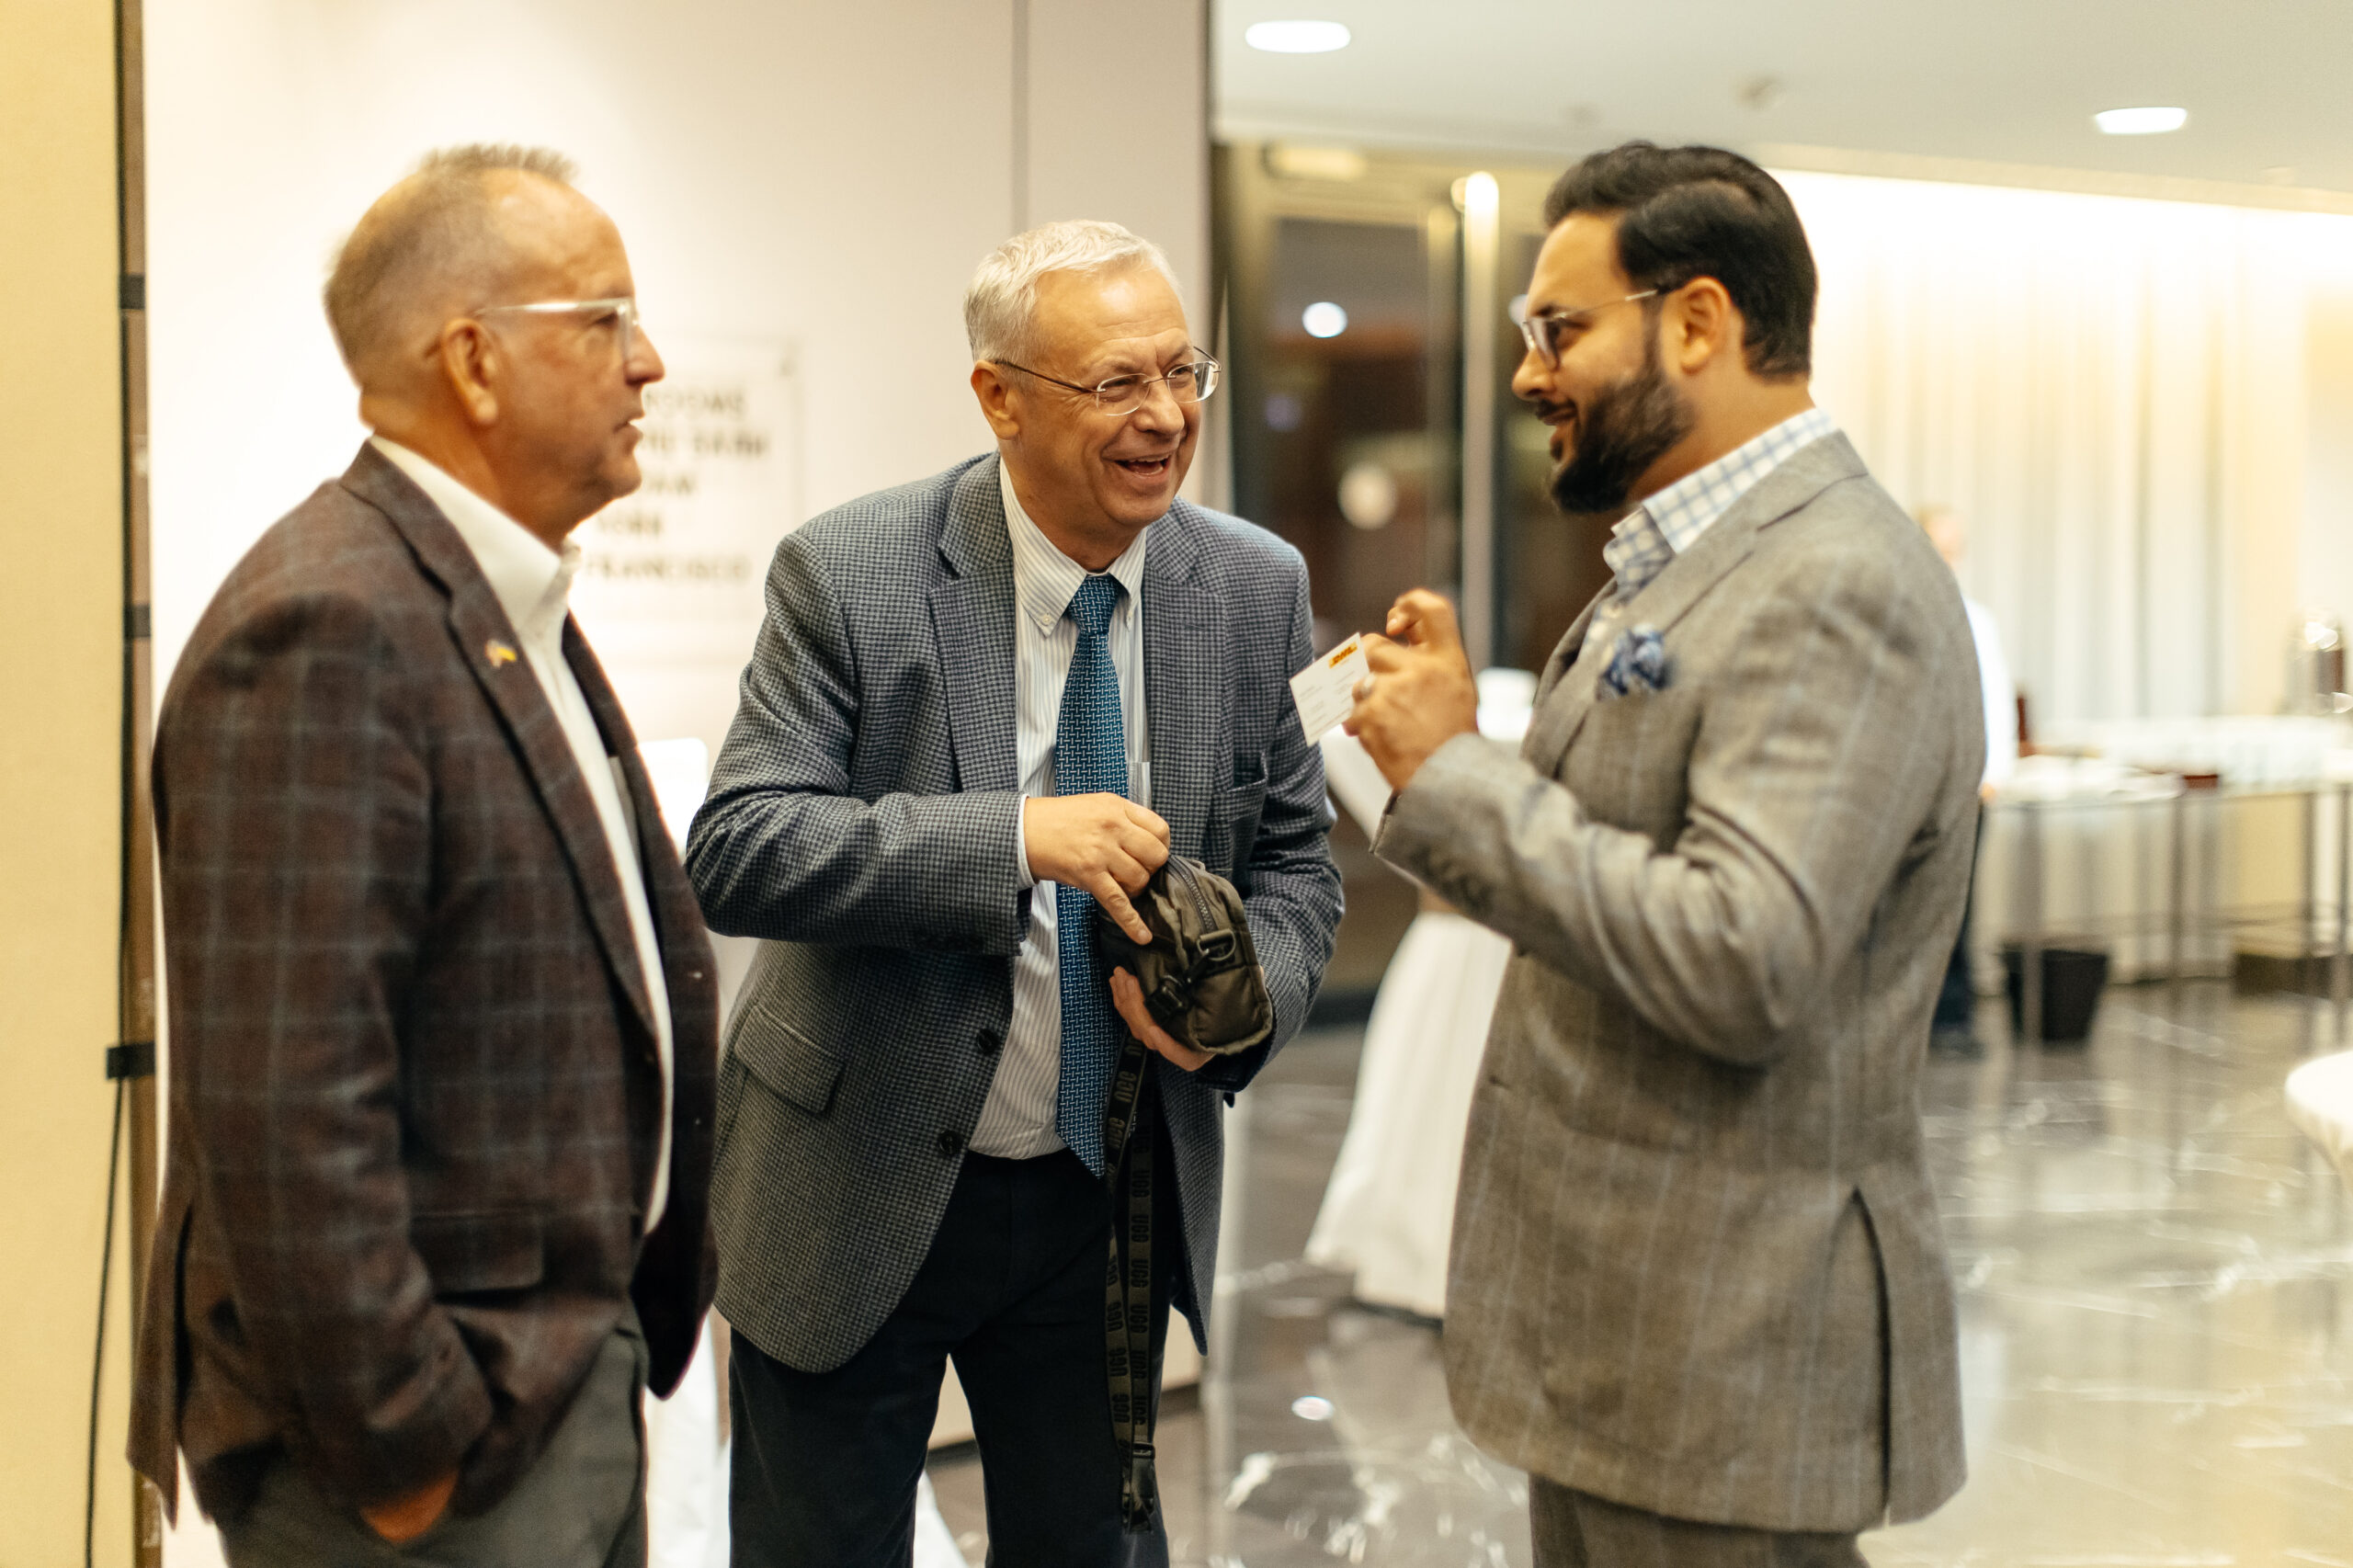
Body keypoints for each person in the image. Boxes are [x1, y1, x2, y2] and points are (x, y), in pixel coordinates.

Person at [1346, 142, 1978, 1564]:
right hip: (1632, 1346)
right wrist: (1444, 760)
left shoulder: (1838, 583)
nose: (1529, 375)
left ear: (1697, 322)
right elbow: (1615, 848)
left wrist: (1457, 775)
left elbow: (1743, 957)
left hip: (1731, 1355)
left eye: (1558, 329)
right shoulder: (1692, 559)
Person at [684, 219, 1342, 1566]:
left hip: (1103, 1190)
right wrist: (1015, 837)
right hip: (853, 1170)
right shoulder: (851, 571)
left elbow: (1297, 864)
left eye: (1183, 371)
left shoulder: (1252, 585)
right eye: (1116, 382)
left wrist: (1245, 1002)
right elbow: (743, 843)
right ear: (999, 396)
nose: (1166, 415)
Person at [129, 145, 718, 1568]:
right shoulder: (331, 625)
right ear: (475, 361)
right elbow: (289, 1104)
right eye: (607, 318)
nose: (649, 362)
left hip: (556, 1373)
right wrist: (406, 1444)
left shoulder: (489, 599)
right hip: (431, 1455)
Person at [1918, 502, 2019, 1054]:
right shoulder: (1899, 612)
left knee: (1959, 904)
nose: (1948, 561)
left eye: (1954, 551)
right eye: (1939, 549)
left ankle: (1953, 1016)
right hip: (1914, 789)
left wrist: (1994, 773)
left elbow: (1995, 700)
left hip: (1967, 788)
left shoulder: (1977, 621)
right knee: (1913, 904)